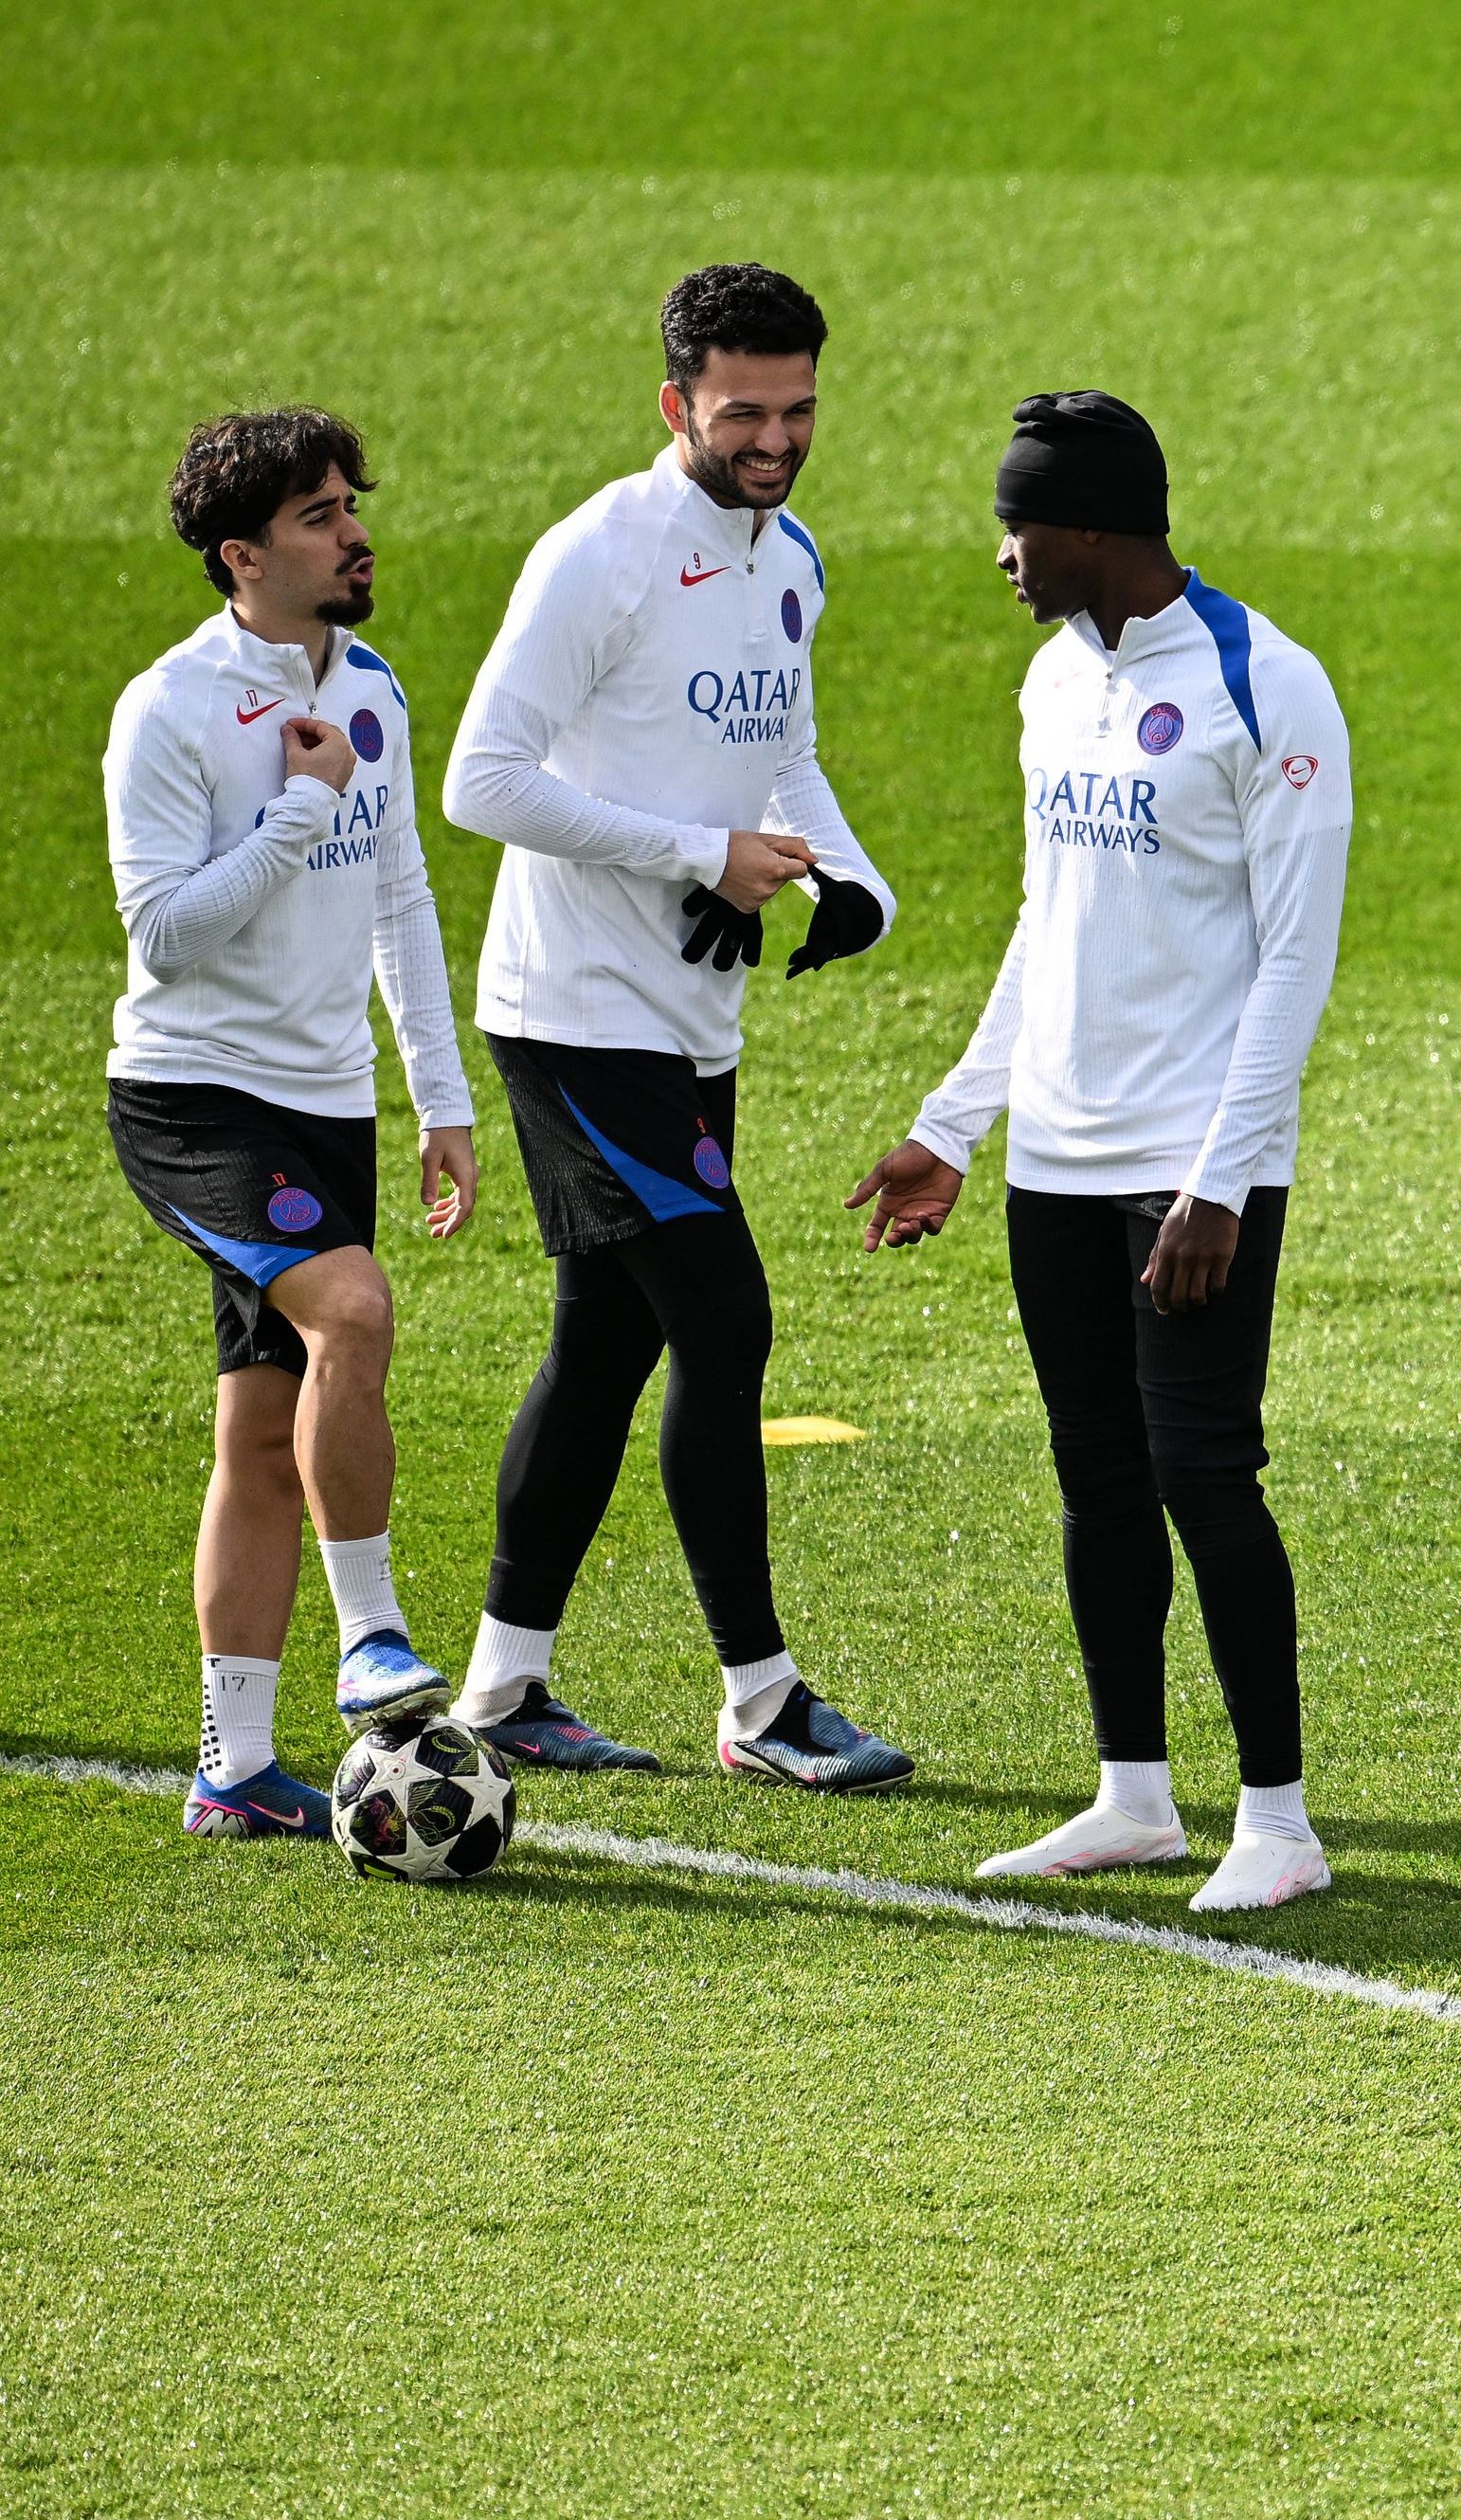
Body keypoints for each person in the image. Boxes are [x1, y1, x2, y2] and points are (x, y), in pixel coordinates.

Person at [847, 392, 1350, 1913]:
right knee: (1096, 1477)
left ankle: (1279, 1818)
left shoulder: (1268, 685)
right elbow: (1041, 918)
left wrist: (1220, 1179)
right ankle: (1133, 1793)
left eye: (1022, 524)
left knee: (1209, 1474)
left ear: (1099, 528)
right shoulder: (1052, 679)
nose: (1002, 553)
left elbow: (1293, 961)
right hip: (1054, 1162)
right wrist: (954, 1121)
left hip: (1189, 1165)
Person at [437, 262, 914, 1791]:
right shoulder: (605, 556)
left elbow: (786, 756)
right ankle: (763, 1703)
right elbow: (481, 781)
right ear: (676, 406)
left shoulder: (792, 561)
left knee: (607, 1344)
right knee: (726, 1321)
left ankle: (505, 1688)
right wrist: (696, 855)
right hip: (574, 1020)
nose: (774, 439)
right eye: (742, 413)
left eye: (798, 409)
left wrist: (849, 880)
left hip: (691, 1021)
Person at [103, 408, 481, 1837]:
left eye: (351, 505)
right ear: (241, 555)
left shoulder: (370, 684)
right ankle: (372, 1630)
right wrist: (299, 810)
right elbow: (164, 940)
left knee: (261, 1437)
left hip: (326, 1109)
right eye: (321, 515)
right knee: (357, 1315)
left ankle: (232, 1770)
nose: (354, 531)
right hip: (195, 1100)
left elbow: (401, 901)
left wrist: (438, 1099)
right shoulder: (172, 709)